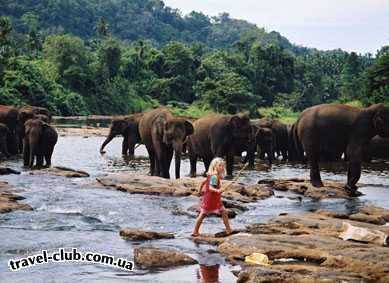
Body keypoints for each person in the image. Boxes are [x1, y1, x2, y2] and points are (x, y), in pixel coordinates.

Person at [192, 157, 232, 237]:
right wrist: (218, 190)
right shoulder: (214, 177)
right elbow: (210, 187)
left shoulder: (212, 175)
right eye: (220, 166)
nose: (222, 167)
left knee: (223, 212)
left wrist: (199, 191)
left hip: (212, 198)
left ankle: (228, 229)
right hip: (211, 199)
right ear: (215, 166)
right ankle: (195, 231)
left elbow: (203, 182)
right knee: (203, 214)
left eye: (223, 166)